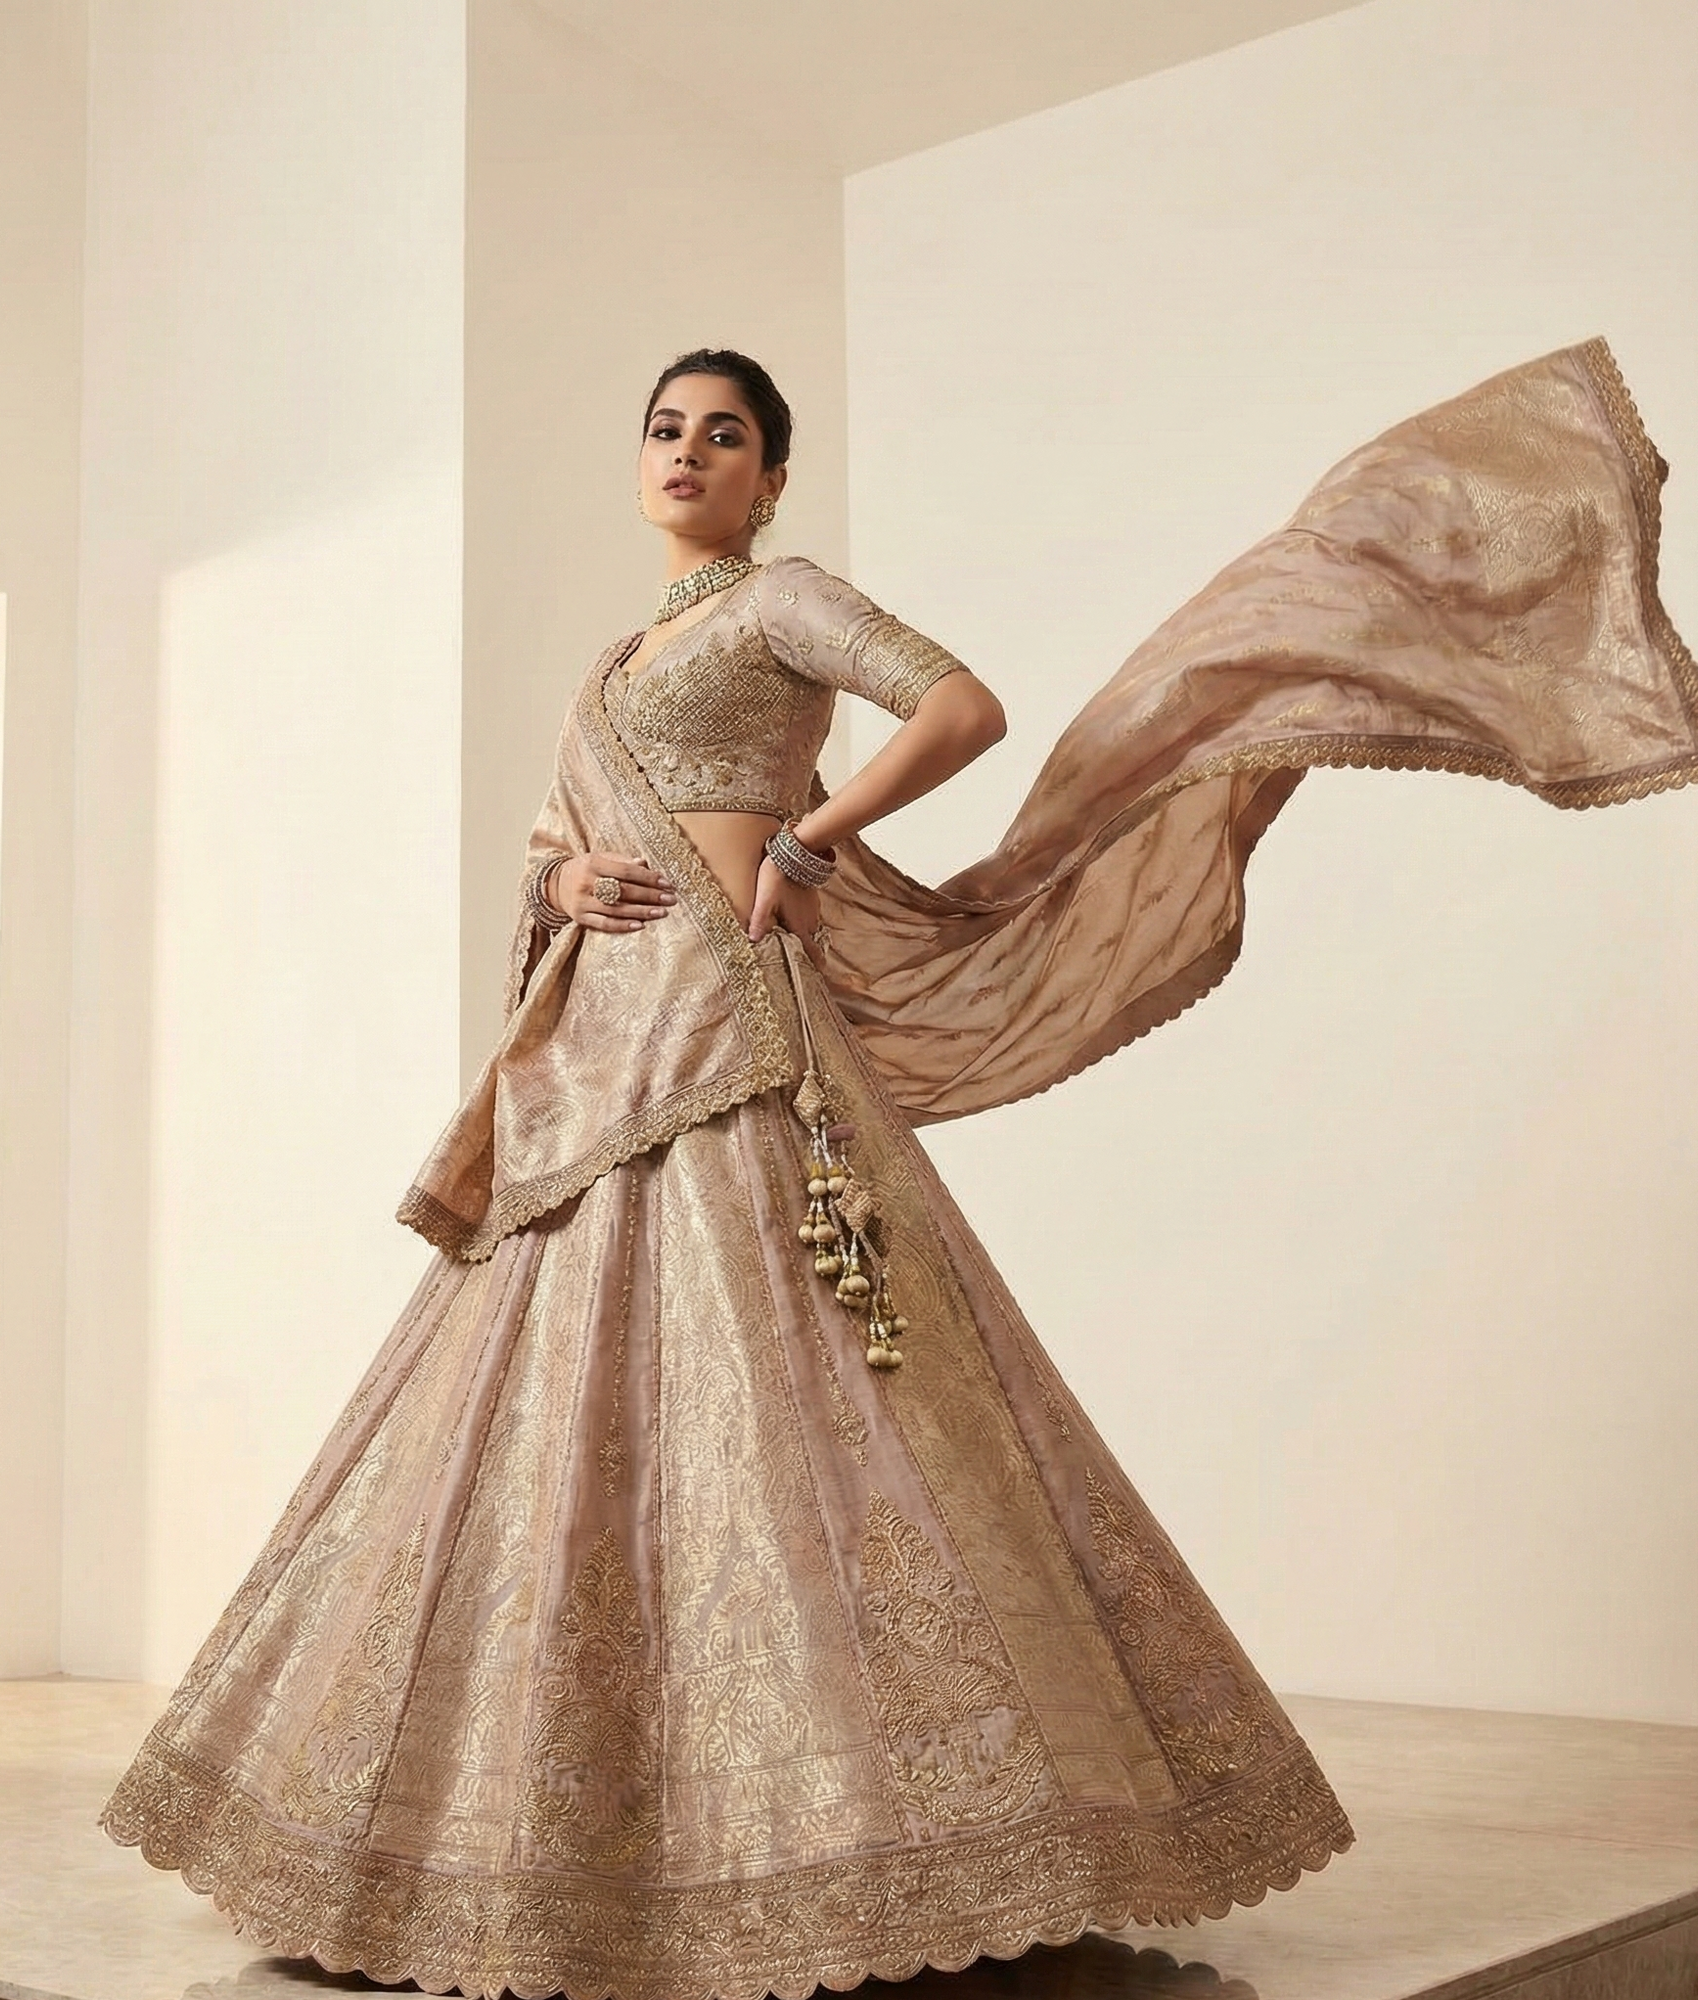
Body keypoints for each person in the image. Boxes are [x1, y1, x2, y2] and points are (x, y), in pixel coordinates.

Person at [102, 341, 1693, 2000]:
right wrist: (560, 882)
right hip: (602, 1057)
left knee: (808, 1382)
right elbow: (559, 834)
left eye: (725, 435)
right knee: (563, 1386)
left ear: (771, 476)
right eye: (665, 430)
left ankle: (901, 1836)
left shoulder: (781, 600)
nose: (686, 453)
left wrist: (810, 837)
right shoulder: (619, 657)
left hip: (732, 1027)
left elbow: (960, 707)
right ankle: (575, 1840)